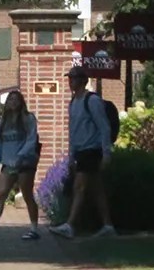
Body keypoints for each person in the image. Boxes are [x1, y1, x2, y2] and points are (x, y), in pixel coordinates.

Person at [49, 65, 115, 238]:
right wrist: (71, 156)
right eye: (70, 78)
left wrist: (106, 153)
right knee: (96, 189)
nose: (71, 81)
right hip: (80, 151)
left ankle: (70, 225)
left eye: (75, 78)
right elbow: (73, 131)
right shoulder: (73, 103)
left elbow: (104, 127)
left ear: (84, 81)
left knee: (79, 187)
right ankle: (108, 225)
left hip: (92, 150)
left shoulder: (91, 101)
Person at [0, 88, 42, 240]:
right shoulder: (2, 122)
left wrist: (21, 155)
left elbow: (31, 140)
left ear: (21, 102)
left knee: (27, 195)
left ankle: (34, 229)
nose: (12, 102)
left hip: (25, 163)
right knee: (0, 194)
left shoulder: (28, 119)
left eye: (15, 99)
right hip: (8, 163)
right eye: (10, 100)